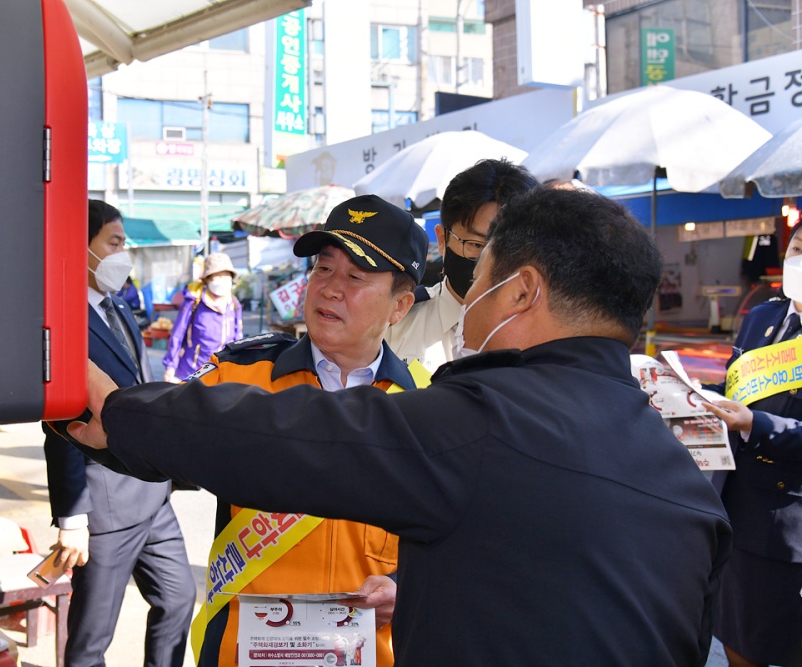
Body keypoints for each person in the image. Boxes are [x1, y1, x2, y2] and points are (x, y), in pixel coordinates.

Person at [67, 187, 732, 666]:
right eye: (322, 268)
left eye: (483, 277)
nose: (468, 300)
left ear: (523, 291)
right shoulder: (688, 486)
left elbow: (284, 440)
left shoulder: (463, 420)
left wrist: (119, 412)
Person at [179, 194, 427, 667]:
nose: (331, 288)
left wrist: (407, 588)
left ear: (400, 306)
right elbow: (147, 442)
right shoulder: (238, 378)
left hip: (374, 653)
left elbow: (462, 547)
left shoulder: (425, 403)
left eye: (355, 277)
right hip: (247, 652)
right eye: (323, 269)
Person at [42, 199, 195, 667]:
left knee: (179, 600)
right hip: (105, 508)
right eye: (113, 243)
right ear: (79, 247)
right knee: (92, 638)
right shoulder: (62, 320)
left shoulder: (119, 307)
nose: (121, 255)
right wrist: (72, 520)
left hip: (153, 495)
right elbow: (62, 425)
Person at [703, 222, 802, 667]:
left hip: (791, 524)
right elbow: (732, 385)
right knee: (738, 640)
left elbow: (755, 416)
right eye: (798, 248)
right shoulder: (763, 317)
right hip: (740, 513)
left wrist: (755, 423)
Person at [384, 158, 539, 372]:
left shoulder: (544, 334)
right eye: (476, 244)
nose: (488, 262)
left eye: (506, 248)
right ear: (442, 240)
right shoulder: (393, 325)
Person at [162, 252, 242, 383]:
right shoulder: (194, 301)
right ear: (208, 279)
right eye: (218, 276)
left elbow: (238, 336)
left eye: (226, 276)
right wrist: (170, 366)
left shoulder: (234, 303)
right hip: (193, 371)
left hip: (223, 372)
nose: (223, 280)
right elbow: (178, 334)